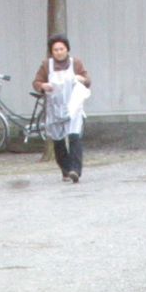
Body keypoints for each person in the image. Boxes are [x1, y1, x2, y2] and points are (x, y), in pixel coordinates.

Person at [33, 35, 90, 183]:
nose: (59, 52)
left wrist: (83, 80)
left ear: (67, 49)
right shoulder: (46, 65)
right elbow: (37, 82)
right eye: (55, 49)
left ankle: (75, 170)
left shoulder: (75, 63)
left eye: (61, 49)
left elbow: (87, 80)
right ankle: (65, 169)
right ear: (51, 52)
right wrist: (42, 86)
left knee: (74, 137)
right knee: (58, 141)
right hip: (54, 107)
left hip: (73, 107)